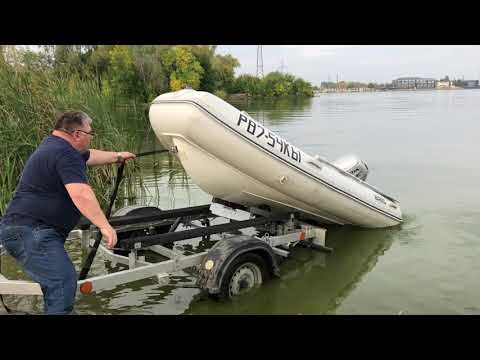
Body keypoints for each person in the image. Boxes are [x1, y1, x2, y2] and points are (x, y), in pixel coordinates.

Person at [0, 111, 135, 315]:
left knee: (58, 286)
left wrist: (117, 156)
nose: (91, 137)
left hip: (24, 229)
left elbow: (89, 155)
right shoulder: (65, 153)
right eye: (91, 133)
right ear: (78, 134)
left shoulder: (55, 146)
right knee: (62, 282)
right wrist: (105, 225)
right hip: (32, 231)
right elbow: (81, 193)